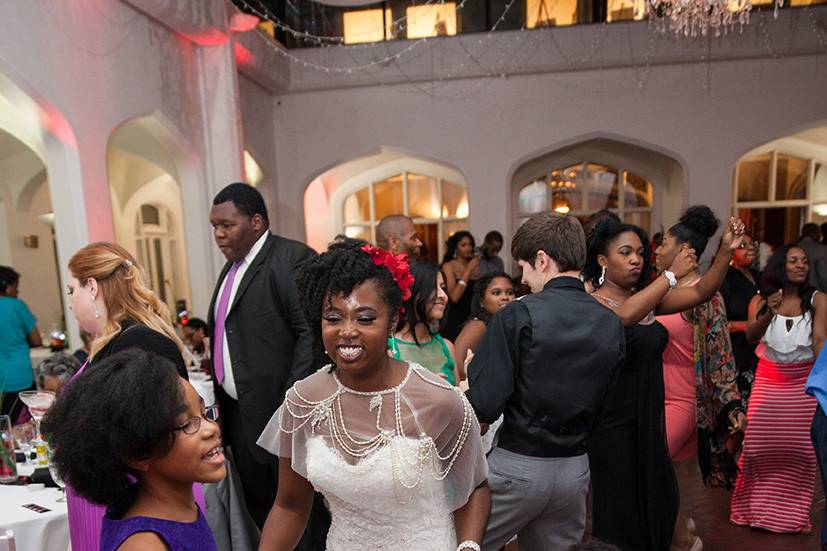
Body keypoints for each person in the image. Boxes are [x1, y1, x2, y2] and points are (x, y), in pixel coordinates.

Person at [256, 241, 490, 550]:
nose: (347, 331)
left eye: (365, 318)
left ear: (393, 321)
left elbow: (474, 488)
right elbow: (290, 506)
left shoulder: (439, 400)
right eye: (333, 318)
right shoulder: (304, 401)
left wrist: (469, 547)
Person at [466, 212, 626, 551]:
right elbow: (607, 403)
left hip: (518, 466)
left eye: (523, 267)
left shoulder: (517, 315)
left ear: (542, 259)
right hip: (575, 470)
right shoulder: (610, 322)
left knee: (465, 543)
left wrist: (473, 375)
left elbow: (485, 403)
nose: (523, 279)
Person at [584, 215, 744, 551]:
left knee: (657, 501)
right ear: (602, 260)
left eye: (640, 253)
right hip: (614, 424)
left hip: (650, 417)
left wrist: (725, 253)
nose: (636, 260)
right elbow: (624, 317)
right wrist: (670, 275)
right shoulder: (593, 301)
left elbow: (702, 290)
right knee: (623, 507)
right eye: (626, 253)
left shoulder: (648, 297)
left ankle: (680, 541)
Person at [207, 182, 327, 542]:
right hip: (242, 415)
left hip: (281, 415)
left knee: (299, 516)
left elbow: (310, 333)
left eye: (227, 225)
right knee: (262, 509)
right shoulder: (231, 269)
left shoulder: (291, 258)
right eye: (214, 226)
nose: (218, 234)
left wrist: (290, 404)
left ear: (256, 222)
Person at [64, 241, 192, 551]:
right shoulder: (114, 342)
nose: (70, 303)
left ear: (92, 287)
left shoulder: (139, 342)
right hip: (114, 496)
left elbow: (164, 432)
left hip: (138, 505)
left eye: (72, 291)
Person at [43, 349, 226, 551]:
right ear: (138, 453)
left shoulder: (180, 507)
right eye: (186, 423)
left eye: (204, 412)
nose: (211, 429)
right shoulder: (145, 544)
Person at [654, 206, 745, 551]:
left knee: (654, 467)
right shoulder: (661, 287)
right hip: (656, 395)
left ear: (684, 252)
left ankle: (686, 542)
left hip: (682, 400)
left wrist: (732, 403)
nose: (658, 250)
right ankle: (680, 527)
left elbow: (721, 353)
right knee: (671, 475)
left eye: (664, 243)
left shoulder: (706, 295)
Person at [730, 244, 827, 534]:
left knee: (801, 453)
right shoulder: (760, 299)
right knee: (758, 449)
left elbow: (820, 338)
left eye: (804, 262)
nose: (801, 266)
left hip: (802, 386)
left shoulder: (819, 300)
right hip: (768, 382)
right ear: (779, 265)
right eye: (793, 261)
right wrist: (770, 313)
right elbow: (750, 336)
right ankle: (754, 511)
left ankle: (792, 517)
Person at [390, 261, 457, 384]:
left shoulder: (447, 347)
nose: (443, 295)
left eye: (443, 288)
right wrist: (423, 388)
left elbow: (459, 400)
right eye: (433, 288)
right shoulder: (389, 350)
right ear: (413, 293)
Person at [719, 235, 760, 408]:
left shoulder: (760, 276)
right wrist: (745, 326)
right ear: (731, 251)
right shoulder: (725, 279)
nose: (750, 248)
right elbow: (715, 325)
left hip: (759, 355)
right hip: (736, 355)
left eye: (752, 244)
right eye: (743, 245)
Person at [453, 271, 515, 384]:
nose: (505, 297)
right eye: (497, 293)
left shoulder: (501, 324)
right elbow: (457, 363)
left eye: (510, 292)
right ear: (482, 301)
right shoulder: (478, 326)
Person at [0, 265, 41, 419]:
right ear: (7, 286)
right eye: (16, 287)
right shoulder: (16, 305)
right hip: (19, 378)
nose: (17, 292)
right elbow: (36, 340)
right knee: (26, 425)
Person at [441, 230, 480, 341]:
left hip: (473, 316)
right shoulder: (449, 266)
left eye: (470, 245)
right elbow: (454, 297)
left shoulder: (476, 267)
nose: (468, 248)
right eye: (463, 245)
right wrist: (468, 270)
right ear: (455, 248)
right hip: (456, 317)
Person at [799, 223, 827, 291]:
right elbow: (822, 276)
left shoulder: (793, 246)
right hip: (815, 292)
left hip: (796, 292)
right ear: (815, 233)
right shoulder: (821, 249)